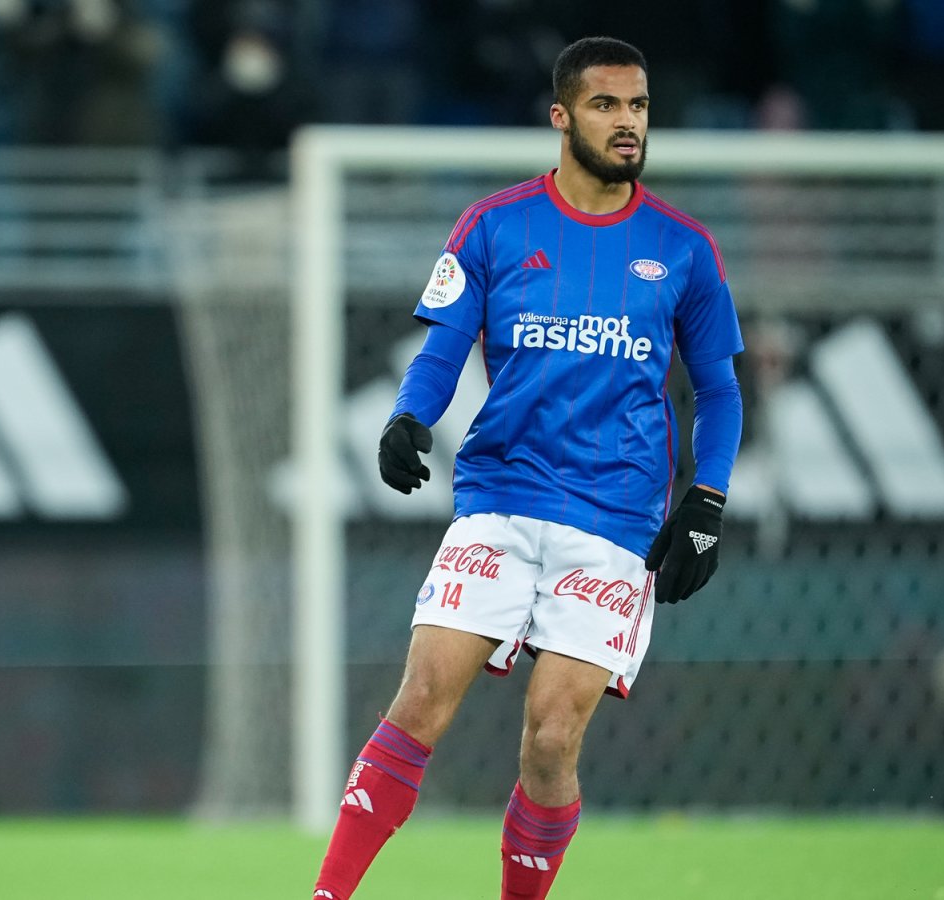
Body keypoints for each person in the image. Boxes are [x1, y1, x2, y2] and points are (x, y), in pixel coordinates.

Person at [310, 36, 745, 900]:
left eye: (638, 106)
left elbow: (721, 390)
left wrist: (707, 500)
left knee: (551, 738)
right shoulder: (494, 225)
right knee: (422, 698)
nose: (627, 122)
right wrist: (408, 416)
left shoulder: (684, 249)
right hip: (499, 501)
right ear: (561, 116)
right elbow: (444, 350)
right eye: (605, 105)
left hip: (614, 521)